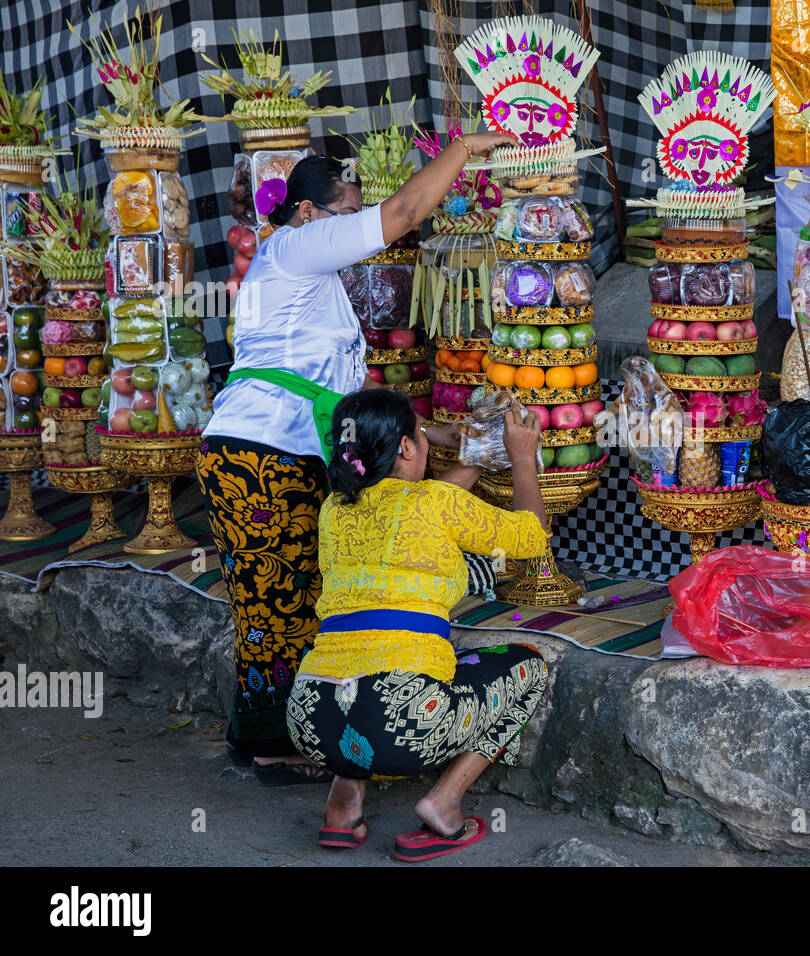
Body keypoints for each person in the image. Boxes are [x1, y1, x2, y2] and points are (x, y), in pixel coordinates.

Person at [197, 131, 515, 783]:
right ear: (310, 211)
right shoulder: (293, 245)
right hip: (259, 454)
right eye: (347, 212)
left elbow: (353, 391)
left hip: (277, 453)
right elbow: (402, 215)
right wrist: (465, 149)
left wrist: (446, 437)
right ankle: (269, 746)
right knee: (277, 604)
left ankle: (253, 731)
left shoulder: (313, 282)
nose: (356, 226)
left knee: (287, 595)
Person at [286, 388, 550, 860]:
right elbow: (530, 537)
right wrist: (522, 459)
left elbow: (416, 507)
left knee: (362, 665)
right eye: (421, 433)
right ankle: (444, 803)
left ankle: (343, 805)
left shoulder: (333, 510)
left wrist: (473, 460)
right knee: (527, 667)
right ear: (407, 447)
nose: (427, 441)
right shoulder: (435, 504)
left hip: (310, 721)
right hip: (402, 720)